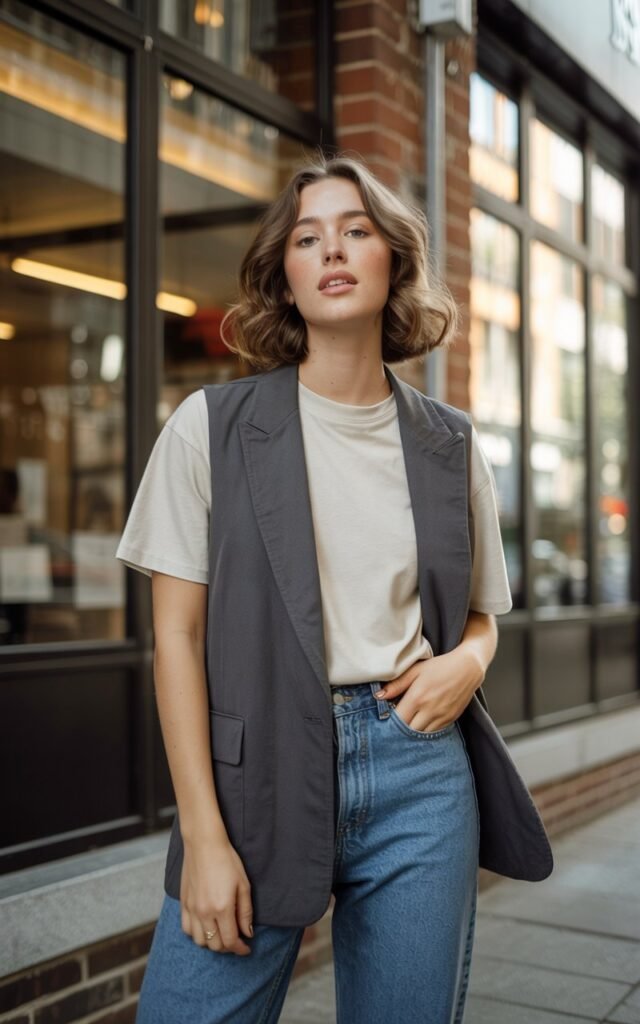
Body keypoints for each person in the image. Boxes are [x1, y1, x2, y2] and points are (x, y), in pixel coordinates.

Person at [116, 151, 513, 1023]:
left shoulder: (451, 443)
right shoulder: (209, 430)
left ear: (392, 262)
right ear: (285, 278)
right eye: (308, 237)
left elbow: (482, 613)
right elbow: (175, 640)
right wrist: (205, 839)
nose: (332, 249)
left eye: (356, 230)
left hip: (419, 767)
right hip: (255, 771)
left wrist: (470, 662)